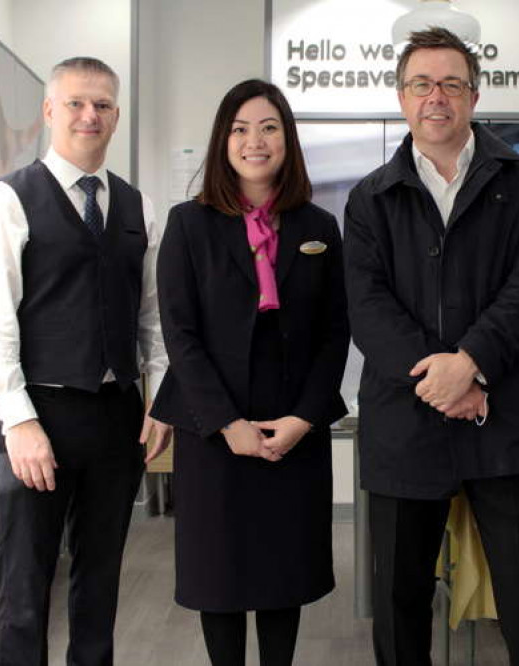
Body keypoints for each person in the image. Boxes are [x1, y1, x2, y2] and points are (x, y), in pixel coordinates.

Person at [343, 27, 519, 666]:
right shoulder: (369, 198)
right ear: (401, 96)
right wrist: (439, 383)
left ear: (473, 94)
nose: (435, 97)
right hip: (405, 425)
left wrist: (470, 367)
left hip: (504, 419)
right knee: (399, 598)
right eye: (421, 84)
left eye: (450, 84)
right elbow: (369, 308)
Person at [0, 56, 171, 666]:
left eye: (103, 105)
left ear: (116, 116)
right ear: (50, 111)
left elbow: (153, 321)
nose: (91, 115)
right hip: (37, 415)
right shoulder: (7, 202)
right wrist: (19, 421)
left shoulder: (140, 208)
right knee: (25, 590)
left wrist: (158, 401)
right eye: (78, 103)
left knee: (100, 581)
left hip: (116, 418)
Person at [150, 79, 349, 666]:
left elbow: (336, 331)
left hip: (293, 427)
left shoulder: (318, 227)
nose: (254, 141)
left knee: (284, 574)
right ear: (222, 141)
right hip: (214, 431)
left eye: (268, 128)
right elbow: (179, 333)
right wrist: (226, 423)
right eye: (240, 129)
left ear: (287, 139)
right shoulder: (189, 224)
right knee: (222, 577)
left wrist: (305, 418)